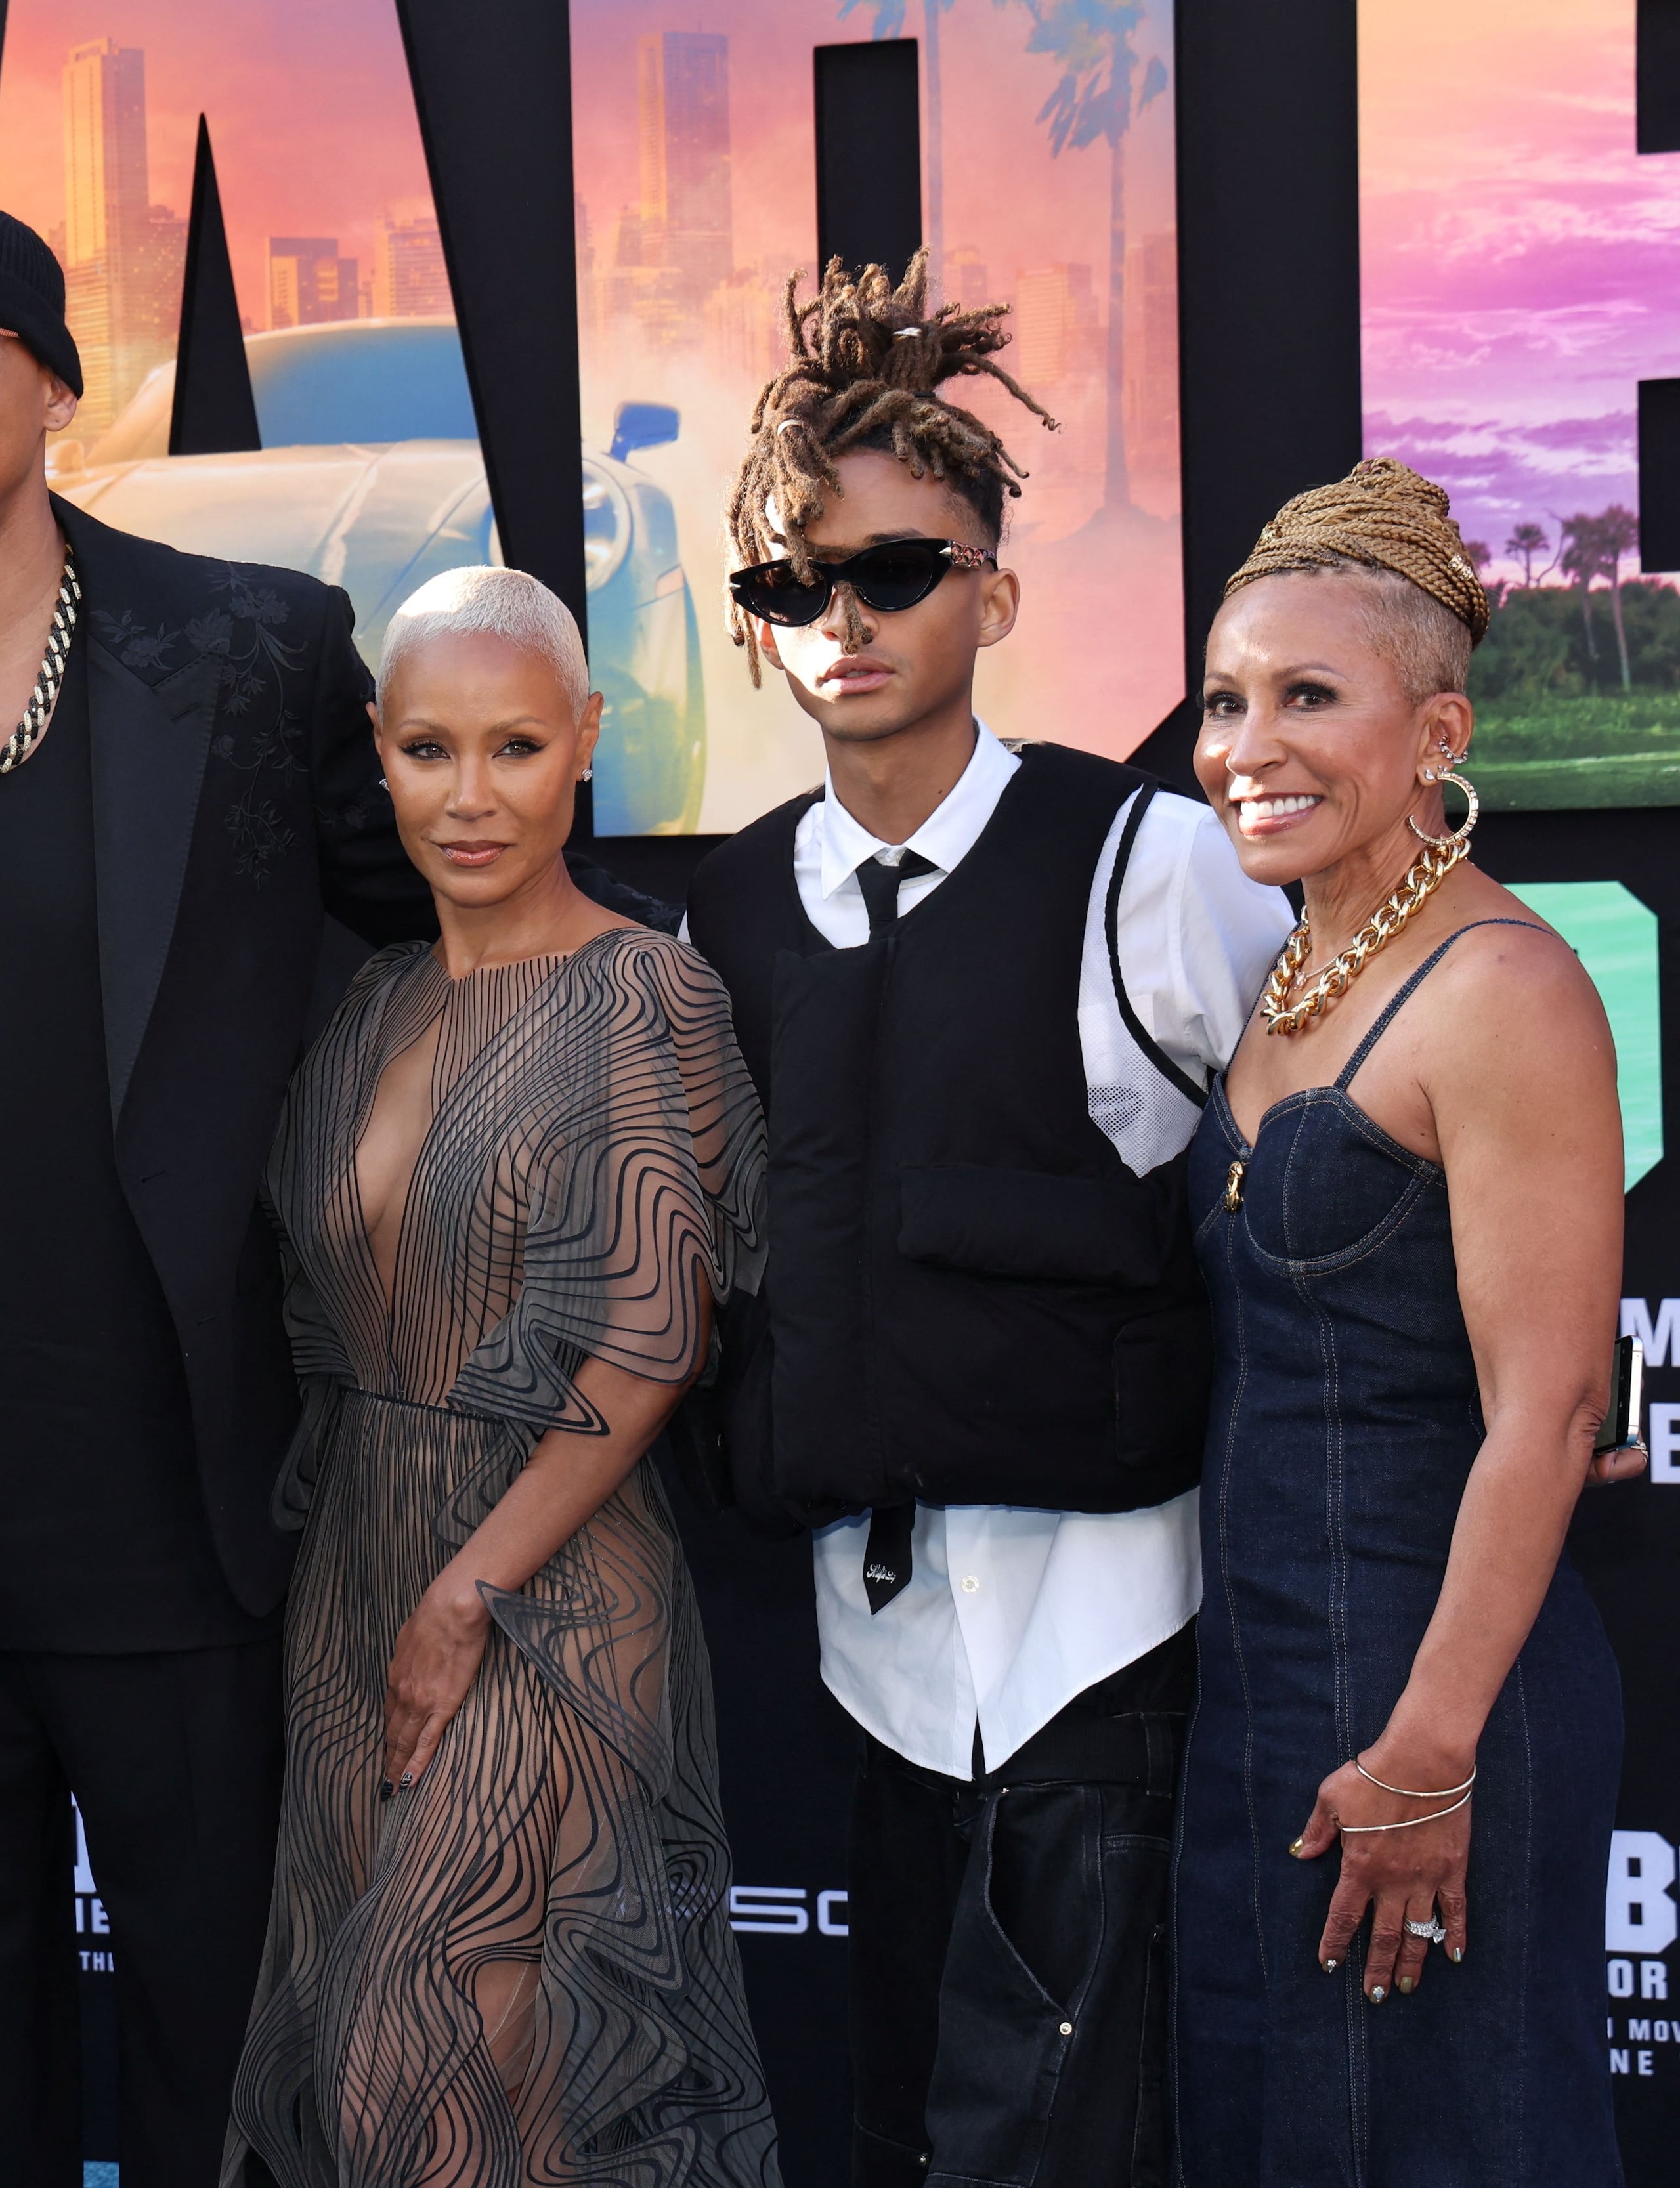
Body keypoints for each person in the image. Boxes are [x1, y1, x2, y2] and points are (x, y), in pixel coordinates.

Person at [0, 194, 662, 2185]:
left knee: (243, 2094)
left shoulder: (249, 649)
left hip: (207, 1529)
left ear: (51, 382)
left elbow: (447, 934)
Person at [679, 255, 1295, 2186]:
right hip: (870, 1660)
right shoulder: (737, 909)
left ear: (996, 594)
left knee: (1068, 2147)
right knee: (894, 2128)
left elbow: (1379, 1146)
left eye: (893, 572)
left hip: (1107, 1640)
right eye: (794, 584)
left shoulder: (1151, 862)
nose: (840, 619)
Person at [225, 567, 781, 2185]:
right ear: (379, 759)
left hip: (545, 1579)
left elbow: (653, 1340)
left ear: (587, 743)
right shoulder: (373, 998)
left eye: (517, 746)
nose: (470, 798)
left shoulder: (644, 988)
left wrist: (467, 1592)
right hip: (355, 1564)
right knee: (471, 2071)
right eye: (428, 750)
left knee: (418, 2040)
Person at [1176, 457, 1634, 2184]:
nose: (1247, 745)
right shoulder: (1295, 974)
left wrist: (1431, 1749)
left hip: (1436, 1702)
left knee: (1453, 2138)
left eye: (1309, 696)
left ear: (1437, 730)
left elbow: (1550, 1406)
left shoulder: (1502, 988)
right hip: (1268, 1692)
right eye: (1226, 699)